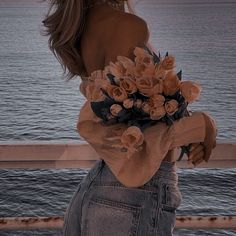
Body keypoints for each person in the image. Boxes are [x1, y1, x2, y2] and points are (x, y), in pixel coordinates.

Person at [42, 0, 217, 235]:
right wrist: (201, 126)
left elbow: (129, 113)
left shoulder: (85, 27)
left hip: (101, 190)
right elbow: (136, 133)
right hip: (133, 197)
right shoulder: (127, 26)